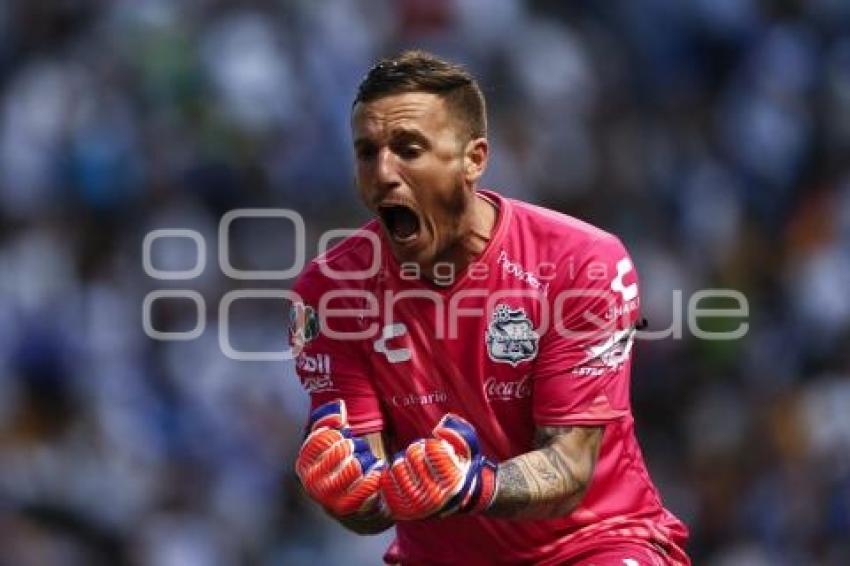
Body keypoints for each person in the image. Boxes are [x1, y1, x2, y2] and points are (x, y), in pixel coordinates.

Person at [289, 50, 690, 565]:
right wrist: (342, 490)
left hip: (596, 546)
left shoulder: (580, 261)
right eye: (367, 152)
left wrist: (471, 484)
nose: (382, 173)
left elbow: (569, 468)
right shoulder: (329, 292)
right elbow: (371, 503)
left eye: (408, 150)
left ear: (473, 159)